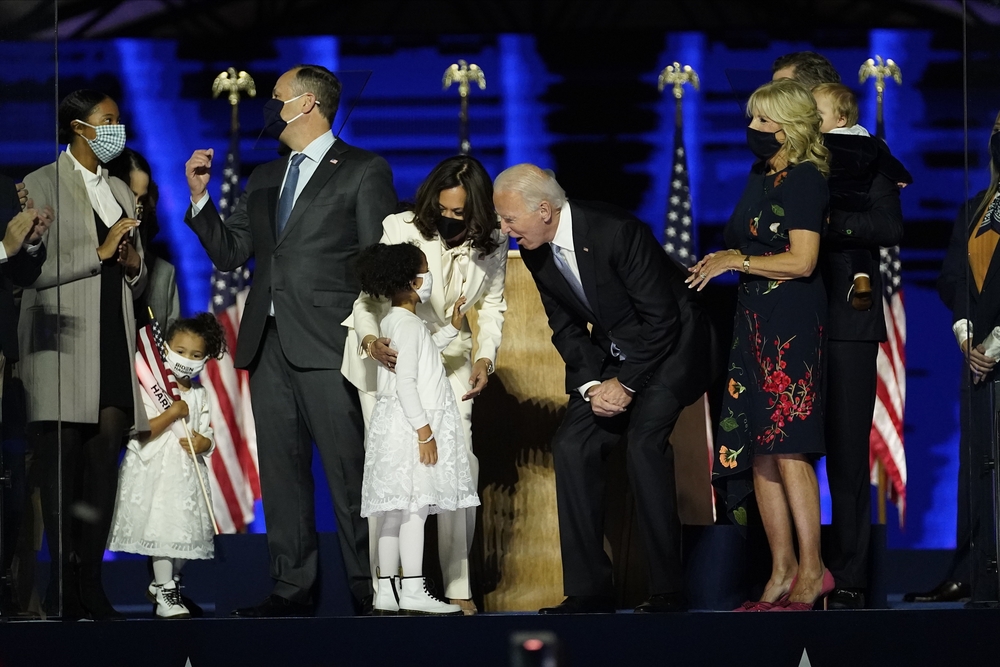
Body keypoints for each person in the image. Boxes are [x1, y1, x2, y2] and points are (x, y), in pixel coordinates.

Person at [184, 64, 397, 617]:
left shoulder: (363, 169)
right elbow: (232, 252)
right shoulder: (263, 178)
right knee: (280, 472)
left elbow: (375, 258)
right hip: (268, 339)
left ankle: (369, 586)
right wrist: (201, 200)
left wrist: (375, 332)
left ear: (306, 105)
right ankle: (291, 588)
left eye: (276, 97)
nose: (268, 105)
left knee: (349, 469)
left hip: (330, 339)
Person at [494, 164, 717, 614]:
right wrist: (596, 384)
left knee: (643, 444)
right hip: (618, 355)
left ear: (543, 209)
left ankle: (667, 590)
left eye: (508, 219)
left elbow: (662, 320)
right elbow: (565, 326)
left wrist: (628, 384)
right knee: (572, 444)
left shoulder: (617, 231)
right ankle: (589, 591)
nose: (503, 229)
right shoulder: (536, 249)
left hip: (676, 346)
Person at [690, 78, 831, 611]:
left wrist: (738, 262)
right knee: (759, 451)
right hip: (751, 320)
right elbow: (744, 241)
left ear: (789, 127)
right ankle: (781, 571)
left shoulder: (806, 180)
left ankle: (814, 571)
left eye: (762, 122)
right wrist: (718, 259)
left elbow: (802, 261)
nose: (751, 130)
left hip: (790, 322)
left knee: (788, 445)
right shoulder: (760, 174)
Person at [342, 155, 506, 614]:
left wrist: (486, 360)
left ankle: (457, 583)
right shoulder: (402, 227)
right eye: (444, 211)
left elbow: (493, 307)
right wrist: (372, 340)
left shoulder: (493, 242)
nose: (451, 220)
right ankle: (388, 589)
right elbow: (369, 297)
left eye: (461, 214)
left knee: (458, 468)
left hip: (450, 359)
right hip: (392, 356)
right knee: (394, 477)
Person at [775, 53, 907, 609]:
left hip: (847, 323)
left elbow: (888, 225)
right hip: (788, 322)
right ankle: (789, 568)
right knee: (785, 452)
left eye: (781, 93)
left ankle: (849, 577)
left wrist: (824, 224)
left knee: (850, 455)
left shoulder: (864, 156)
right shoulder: (779, 160)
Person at [20, 89, 146, 621]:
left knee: (103, 468)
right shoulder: (38, 184)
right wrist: (96, 253)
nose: (118, 128)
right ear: (79, 127)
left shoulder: (118, 187)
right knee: (62, 469)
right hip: (64, 341)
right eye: (109, 120)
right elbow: (25, 272)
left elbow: (131, 279)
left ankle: (92, 581)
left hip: (110, 337)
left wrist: (133, 261)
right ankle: (61, 584)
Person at [355, 243, 480, 616]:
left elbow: (425, 352)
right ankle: (412, 588)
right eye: (424, 272)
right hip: (414, 427)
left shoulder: (396, 322)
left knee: (394, 513)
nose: (428, 281)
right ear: (411, 282)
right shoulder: (407, 325)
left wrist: (451, 328)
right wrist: (425, 432)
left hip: (396, 426)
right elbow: (407, 382)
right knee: (415, 510)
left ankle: (386, 591)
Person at [915, 110, 1000, 604]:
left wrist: (996, 343)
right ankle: (973, 570)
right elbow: (953, 279)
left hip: (996, 352)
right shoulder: (976, 208)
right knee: (976, 466)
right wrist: (970, 339)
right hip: (977, 359)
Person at [108, 313, 226, 618]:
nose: (187, 359)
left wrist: (206, 444)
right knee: (162, 532)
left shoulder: (200, 394)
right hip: (153, 470)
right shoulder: (150, 388)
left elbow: (207, 430)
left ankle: (166, 583)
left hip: (187, 476)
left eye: (196, 355)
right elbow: (142, 429)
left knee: (184, 536)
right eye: (181, 351)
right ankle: (165, 593)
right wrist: (172, 413)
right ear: (166, 350)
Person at [107, 148, 181, 330]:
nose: (137, 208)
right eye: (131, 196)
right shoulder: (87, 259)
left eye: (142, 200)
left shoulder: (163, 274)